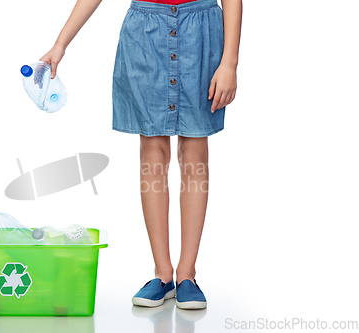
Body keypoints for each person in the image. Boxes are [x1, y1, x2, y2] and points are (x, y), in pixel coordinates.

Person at [40, 0, 242, 310]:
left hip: (201, 33)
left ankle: (187, 275)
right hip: (145, 37)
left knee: (195, 153)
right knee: (152, 153)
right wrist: (60, 44)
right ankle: (162, 274)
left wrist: (229, 62)